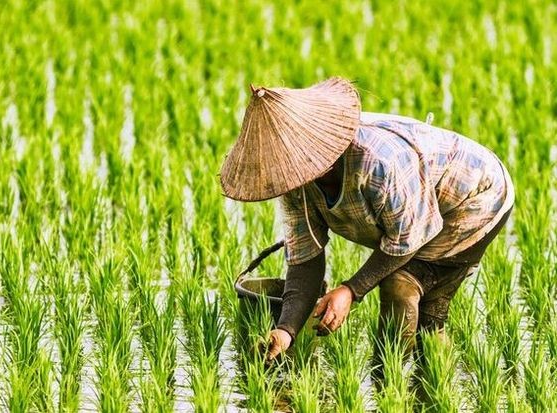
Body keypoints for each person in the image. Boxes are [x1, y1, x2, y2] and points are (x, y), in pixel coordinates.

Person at [219, 77, 514, 385]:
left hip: (476, 198)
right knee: (428, 319)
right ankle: (423, 390)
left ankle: (389, 385)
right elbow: (305, 260)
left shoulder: (379, 163)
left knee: (401, 284)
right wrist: (286, 330)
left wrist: (350, 290)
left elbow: (405, 238)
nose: (292, 173)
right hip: (423, 212)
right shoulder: (296, 185)